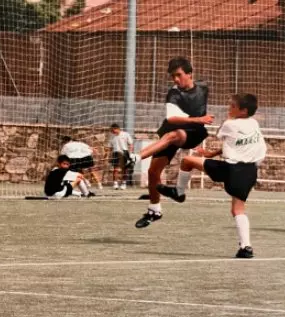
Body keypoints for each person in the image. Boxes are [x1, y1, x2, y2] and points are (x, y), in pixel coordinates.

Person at [157, 93, 265, 258]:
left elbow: (221, 133)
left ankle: (179, 192)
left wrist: (227, 119)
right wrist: (210, 153)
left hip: (231, 169)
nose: (229, 109)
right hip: (249, 172)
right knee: (238, 210)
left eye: (232, 107)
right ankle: (246, 247)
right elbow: (235, 143)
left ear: (243, 111)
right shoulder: (254, 124)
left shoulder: (230, 124)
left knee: (186, 160)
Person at [133, 56, 213, 228]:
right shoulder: (173, 93)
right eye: (172, 76)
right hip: (178, 129)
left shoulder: (204, 87)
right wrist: (198, 118)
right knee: (153, 172)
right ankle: (154, 210)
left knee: (172, 136)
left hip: (193, 134)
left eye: (178, 75)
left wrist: (200, 121)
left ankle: (135, 158)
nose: (176, 79)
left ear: (190, 74)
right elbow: (172, 117)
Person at [106, 123, 133, 190]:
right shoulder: (112, 136)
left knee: (124, 169)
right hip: (116, 153)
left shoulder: (126, 134)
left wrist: (130, 153)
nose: (112, 131)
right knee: (115, 169)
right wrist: (108, 156)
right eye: (111, 130)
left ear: (117, 129)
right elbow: (110, 147)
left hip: (125, 152)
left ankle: (124, 183)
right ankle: (115, 184)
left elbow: (131, 144)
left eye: (113, 130)